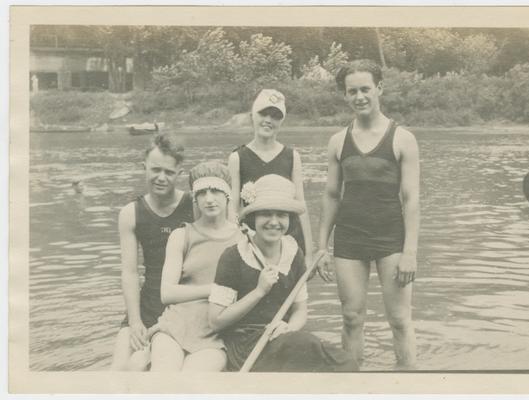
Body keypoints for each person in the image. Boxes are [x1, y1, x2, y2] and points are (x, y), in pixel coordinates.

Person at [316, 59, 420, 369]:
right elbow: (332, 196)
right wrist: (321, 247)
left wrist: (410, 252)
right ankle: (352, 382)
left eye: (365, 89)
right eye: (352, 91)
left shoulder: (403, 139)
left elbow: (412, 198)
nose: (359, 96)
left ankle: (409, 384)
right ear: (345, 96)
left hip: (391, 239)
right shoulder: (338, 141)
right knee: (351, 317)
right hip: (349, 239)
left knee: (400, 319)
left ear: (379, 89)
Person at [208, 174, 358, 372]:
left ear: (290, 219)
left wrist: (289, 327)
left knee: (346, 363)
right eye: (266, 214)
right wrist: (259, 292)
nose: (274, 222)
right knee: (303, 346)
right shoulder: (234, 256)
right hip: (246, 345)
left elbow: (299, 310)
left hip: (285, 338)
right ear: (253, 217)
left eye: (281, 215)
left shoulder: (293, 251)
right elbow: (215, 322)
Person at [109, 133, 193, 371]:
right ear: (144, 167)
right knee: (119, 367)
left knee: (154, 368)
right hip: (146, 306)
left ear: (180, 173)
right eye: (155, 170)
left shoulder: (194, 206)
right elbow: (130, 273)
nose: (161, 178)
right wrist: (135, 321)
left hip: (182, 305)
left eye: (169, 172)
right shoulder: (130, 213)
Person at [147, 161, 242, 371]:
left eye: (216, 190)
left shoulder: (243, 239)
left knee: (193, 379)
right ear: (195, 199)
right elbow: (167, 293)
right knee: (163, 374)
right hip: (175, 325)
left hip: (215, 333)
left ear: (227, 195)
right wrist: (213, 290)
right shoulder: (181, 235)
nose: (209, 199)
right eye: (202, 193)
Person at [227, 89, 314, 266]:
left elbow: (301, 206)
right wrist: (234, 244)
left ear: (281, 121)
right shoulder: (237, 157)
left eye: (275, 116)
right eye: (263, 114)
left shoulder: (292, 156)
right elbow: (233, 208)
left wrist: (309, 254)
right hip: (252, 242)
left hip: (288, 239)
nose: (268, 120)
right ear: (253, 115)